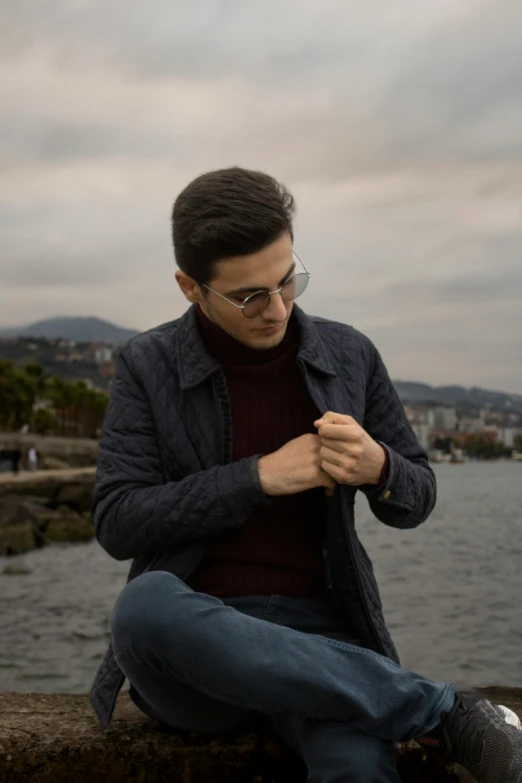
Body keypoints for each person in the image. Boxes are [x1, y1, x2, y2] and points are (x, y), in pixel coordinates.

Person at [91, 167, 522, 782]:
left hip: (322, 642)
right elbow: (117, 522)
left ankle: (410, 704)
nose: (278, 309)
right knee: (144, 605)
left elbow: (417, 497)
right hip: (194, 653)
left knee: (356, 769)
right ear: (191, 288)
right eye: (249, 296)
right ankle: (441, 711)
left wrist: (380, 467)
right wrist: (259, 477)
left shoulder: (350, 354)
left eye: (289, 280)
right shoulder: (145, 363)